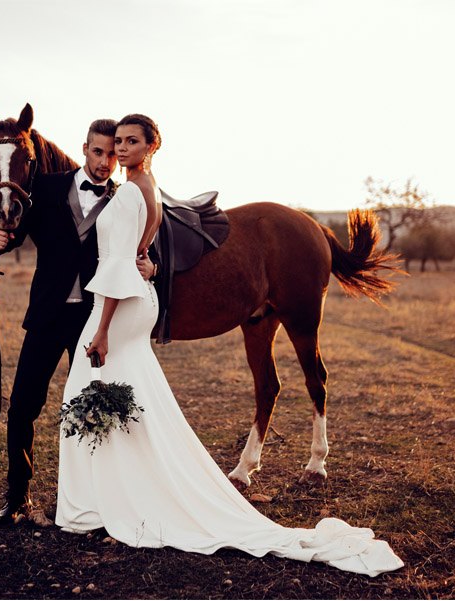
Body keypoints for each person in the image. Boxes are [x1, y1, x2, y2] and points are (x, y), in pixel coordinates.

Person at [55, 114, 404, 576]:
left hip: (118, 310)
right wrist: (150, 267)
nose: (119, 149)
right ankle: (118, 493)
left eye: (130, 141)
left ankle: (318, 448)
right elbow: (137, 253)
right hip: (127, 303)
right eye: (116, 141)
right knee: (121, 398)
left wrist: (104, 324)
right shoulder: (136, 188)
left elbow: (125, 260)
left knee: (303, 360)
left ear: (151, 146)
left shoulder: (138, 189)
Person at [0, 119, 155, 526]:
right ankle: (18, 496)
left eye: (112, 154)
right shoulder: (46, 186)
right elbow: (13, 229)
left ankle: (93, 502)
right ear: (84, 149)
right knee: (23, 403)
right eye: (97, 152)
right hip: (47, 315)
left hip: (93, 320)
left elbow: (140, 246)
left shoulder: (123, 198)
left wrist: (152, 266)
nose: (104, 162)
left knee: (95, 409)